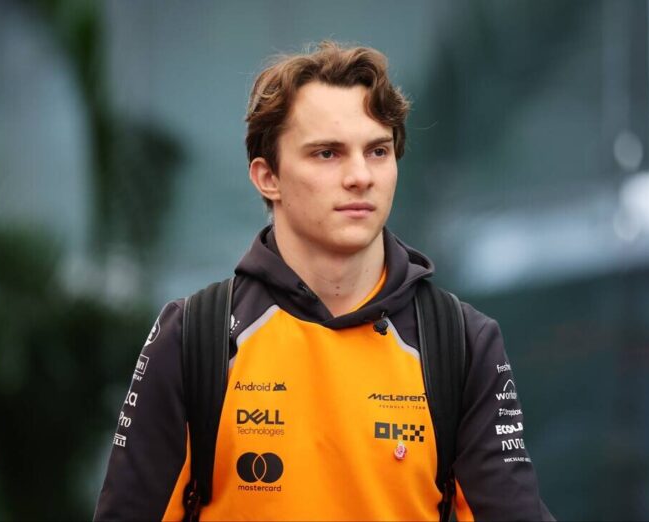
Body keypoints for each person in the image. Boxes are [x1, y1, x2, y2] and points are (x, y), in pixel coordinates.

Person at [94, 41, 554, 521]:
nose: (360, 176)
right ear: (267, 177)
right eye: (327, 153)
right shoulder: (193, 336)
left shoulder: (461, 341)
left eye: (378, 151)